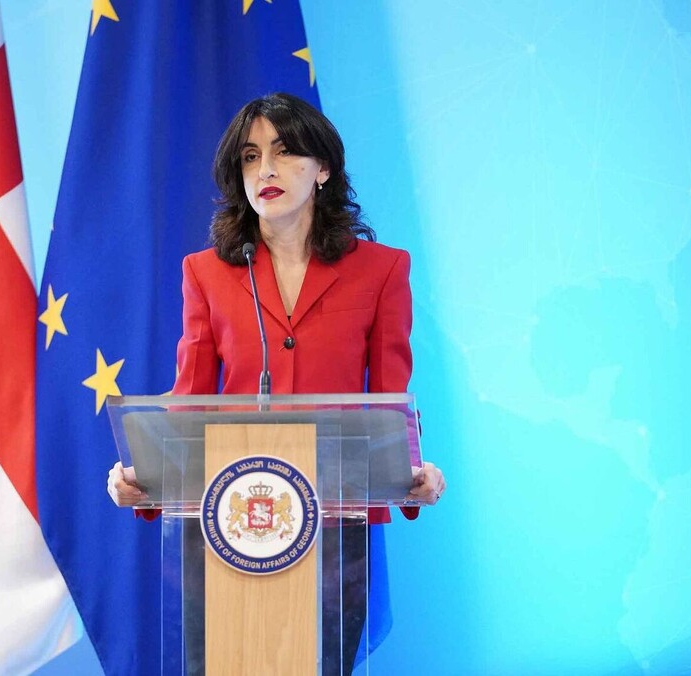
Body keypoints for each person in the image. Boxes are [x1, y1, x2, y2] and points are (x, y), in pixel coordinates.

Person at [106, 92, 446, 673]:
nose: (265, 169)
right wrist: (148, 479)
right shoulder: (206, 273)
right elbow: (190, 402)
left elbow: (390, 401)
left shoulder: (382, 270)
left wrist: (412, 474)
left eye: (285, 152)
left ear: (323, 168)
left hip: (334, 520)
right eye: (250, 156)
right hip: (228, 518)